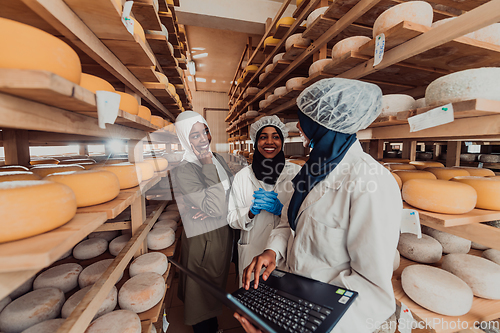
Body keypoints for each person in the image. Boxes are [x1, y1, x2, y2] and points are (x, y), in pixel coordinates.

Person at [235, 78, 402, 333]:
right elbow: (288, 224)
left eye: (305, 121)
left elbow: (372, 291)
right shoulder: (311, 170)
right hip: (294, 298)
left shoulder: (370, 180)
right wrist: (272, 251)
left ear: (325, 124)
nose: (300, 128)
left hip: (325, 318)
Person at [171, 111, 234, 333]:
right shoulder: (185, 169)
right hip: (204, 240)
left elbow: (231, 194)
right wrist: (206, 162)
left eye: (205, 131)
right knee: (200, 293)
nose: (204, 139)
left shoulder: (217, 158)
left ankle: (213, 327)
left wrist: (217, 207)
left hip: (221, 234)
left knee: (213, 289)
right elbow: (215, 207)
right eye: (195, 135)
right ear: (183, 138)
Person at [227, 116, 301, 286]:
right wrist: (250, 212)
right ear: (255, 141)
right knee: (252, 300)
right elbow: (231, 219)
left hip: (284, 253)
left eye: (275, 136)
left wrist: (282, 210)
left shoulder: (297, 173)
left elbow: (304, 215)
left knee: (281, 303)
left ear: (282, 141)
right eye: (263, 137)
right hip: (252, 249)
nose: (270, 142)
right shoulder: (242, 177)